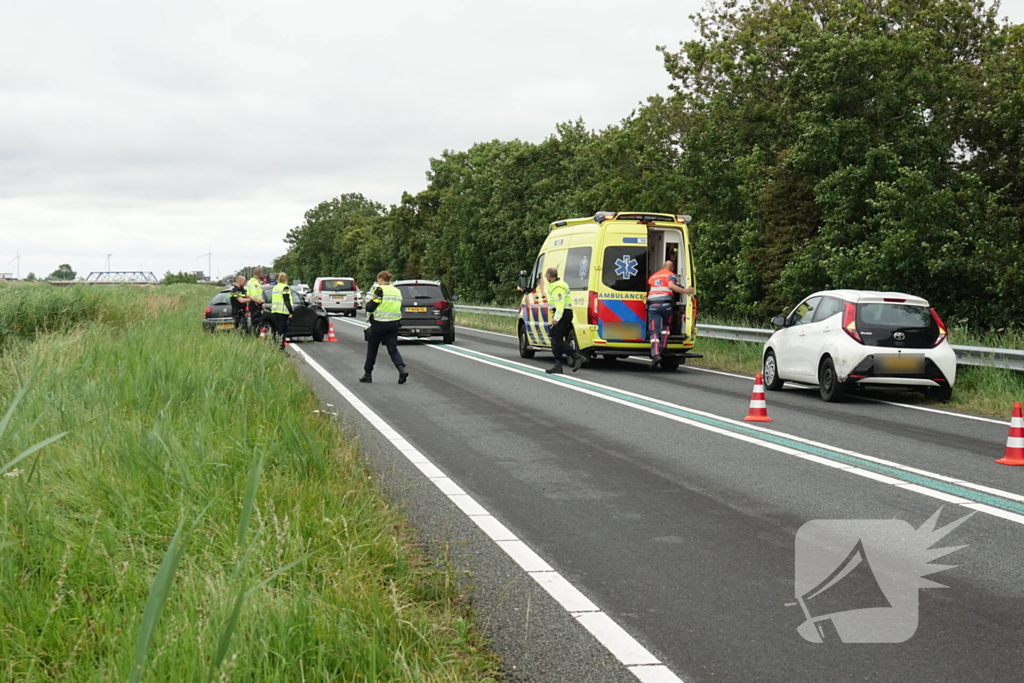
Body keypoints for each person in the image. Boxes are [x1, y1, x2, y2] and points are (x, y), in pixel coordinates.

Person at [360, 271, 408, 384]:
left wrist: (367, 303)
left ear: (381, 279)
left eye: (378, 280)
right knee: (393, 349)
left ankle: (368, 374)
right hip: (393, 324)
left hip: (379, 324)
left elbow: (371, 307)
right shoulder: (397, 291)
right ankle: (401, 369)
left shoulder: (380, 290)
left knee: (372, 349)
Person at [646, 260, 694, 369]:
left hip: (653, 305)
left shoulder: (653, 276)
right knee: (666, 327)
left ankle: (656, 354)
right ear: (672, 268)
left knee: (654, 330)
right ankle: (663, 347)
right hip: (666, 305)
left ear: (662, 267)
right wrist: (686, 291)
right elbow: (671, 286)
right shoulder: (671, 275)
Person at [544, 267, 585, 374]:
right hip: (563, 314)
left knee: (557, 339)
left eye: (546, 275)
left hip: (563, 314)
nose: (545, 277)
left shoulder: (557, 286)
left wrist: (556, 318)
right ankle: (558, 365)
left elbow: (560, 304)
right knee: (555, 339)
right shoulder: (559, 284)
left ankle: (577, 356)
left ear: (549, 276)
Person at [270, 271, 293, 350]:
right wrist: (291, 311)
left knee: (277, 330)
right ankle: (281, 348)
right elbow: (286, 300)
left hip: (275, 311)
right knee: (283, 331)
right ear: (285, 278)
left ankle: (278, 347)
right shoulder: (285, 287)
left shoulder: (275, 287)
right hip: (283, 311)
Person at [245, 268, 265, 334]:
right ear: (259, 273)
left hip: (256, 303)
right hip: (255, 304)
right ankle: (256, 335)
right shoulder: (254, 282)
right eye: (261, 273)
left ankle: (256, 335)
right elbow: (254, 294)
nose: (262, 274)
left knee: (257, 322)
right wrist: (258, 302)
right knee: (256, 322)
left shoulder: (253, 281)